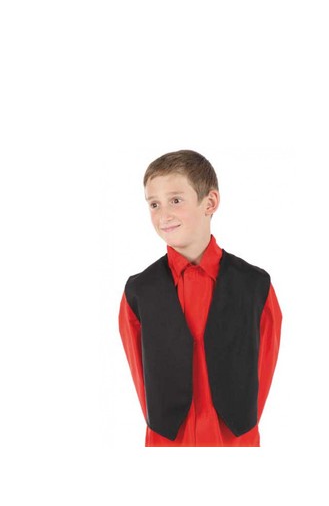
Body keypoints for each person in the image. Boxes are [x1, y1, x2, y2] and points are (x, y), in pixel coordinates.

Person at [118, 149, 282, 447]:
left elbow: (263, 369)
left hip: (234, 441)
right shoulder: (139, 291)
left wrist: (242, 425)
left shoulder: (255, 286)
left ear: (210, 202)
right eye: (154, 204)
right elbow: (142, 378)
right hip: (168, 442)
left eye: (175, 200)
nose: (163, 215)